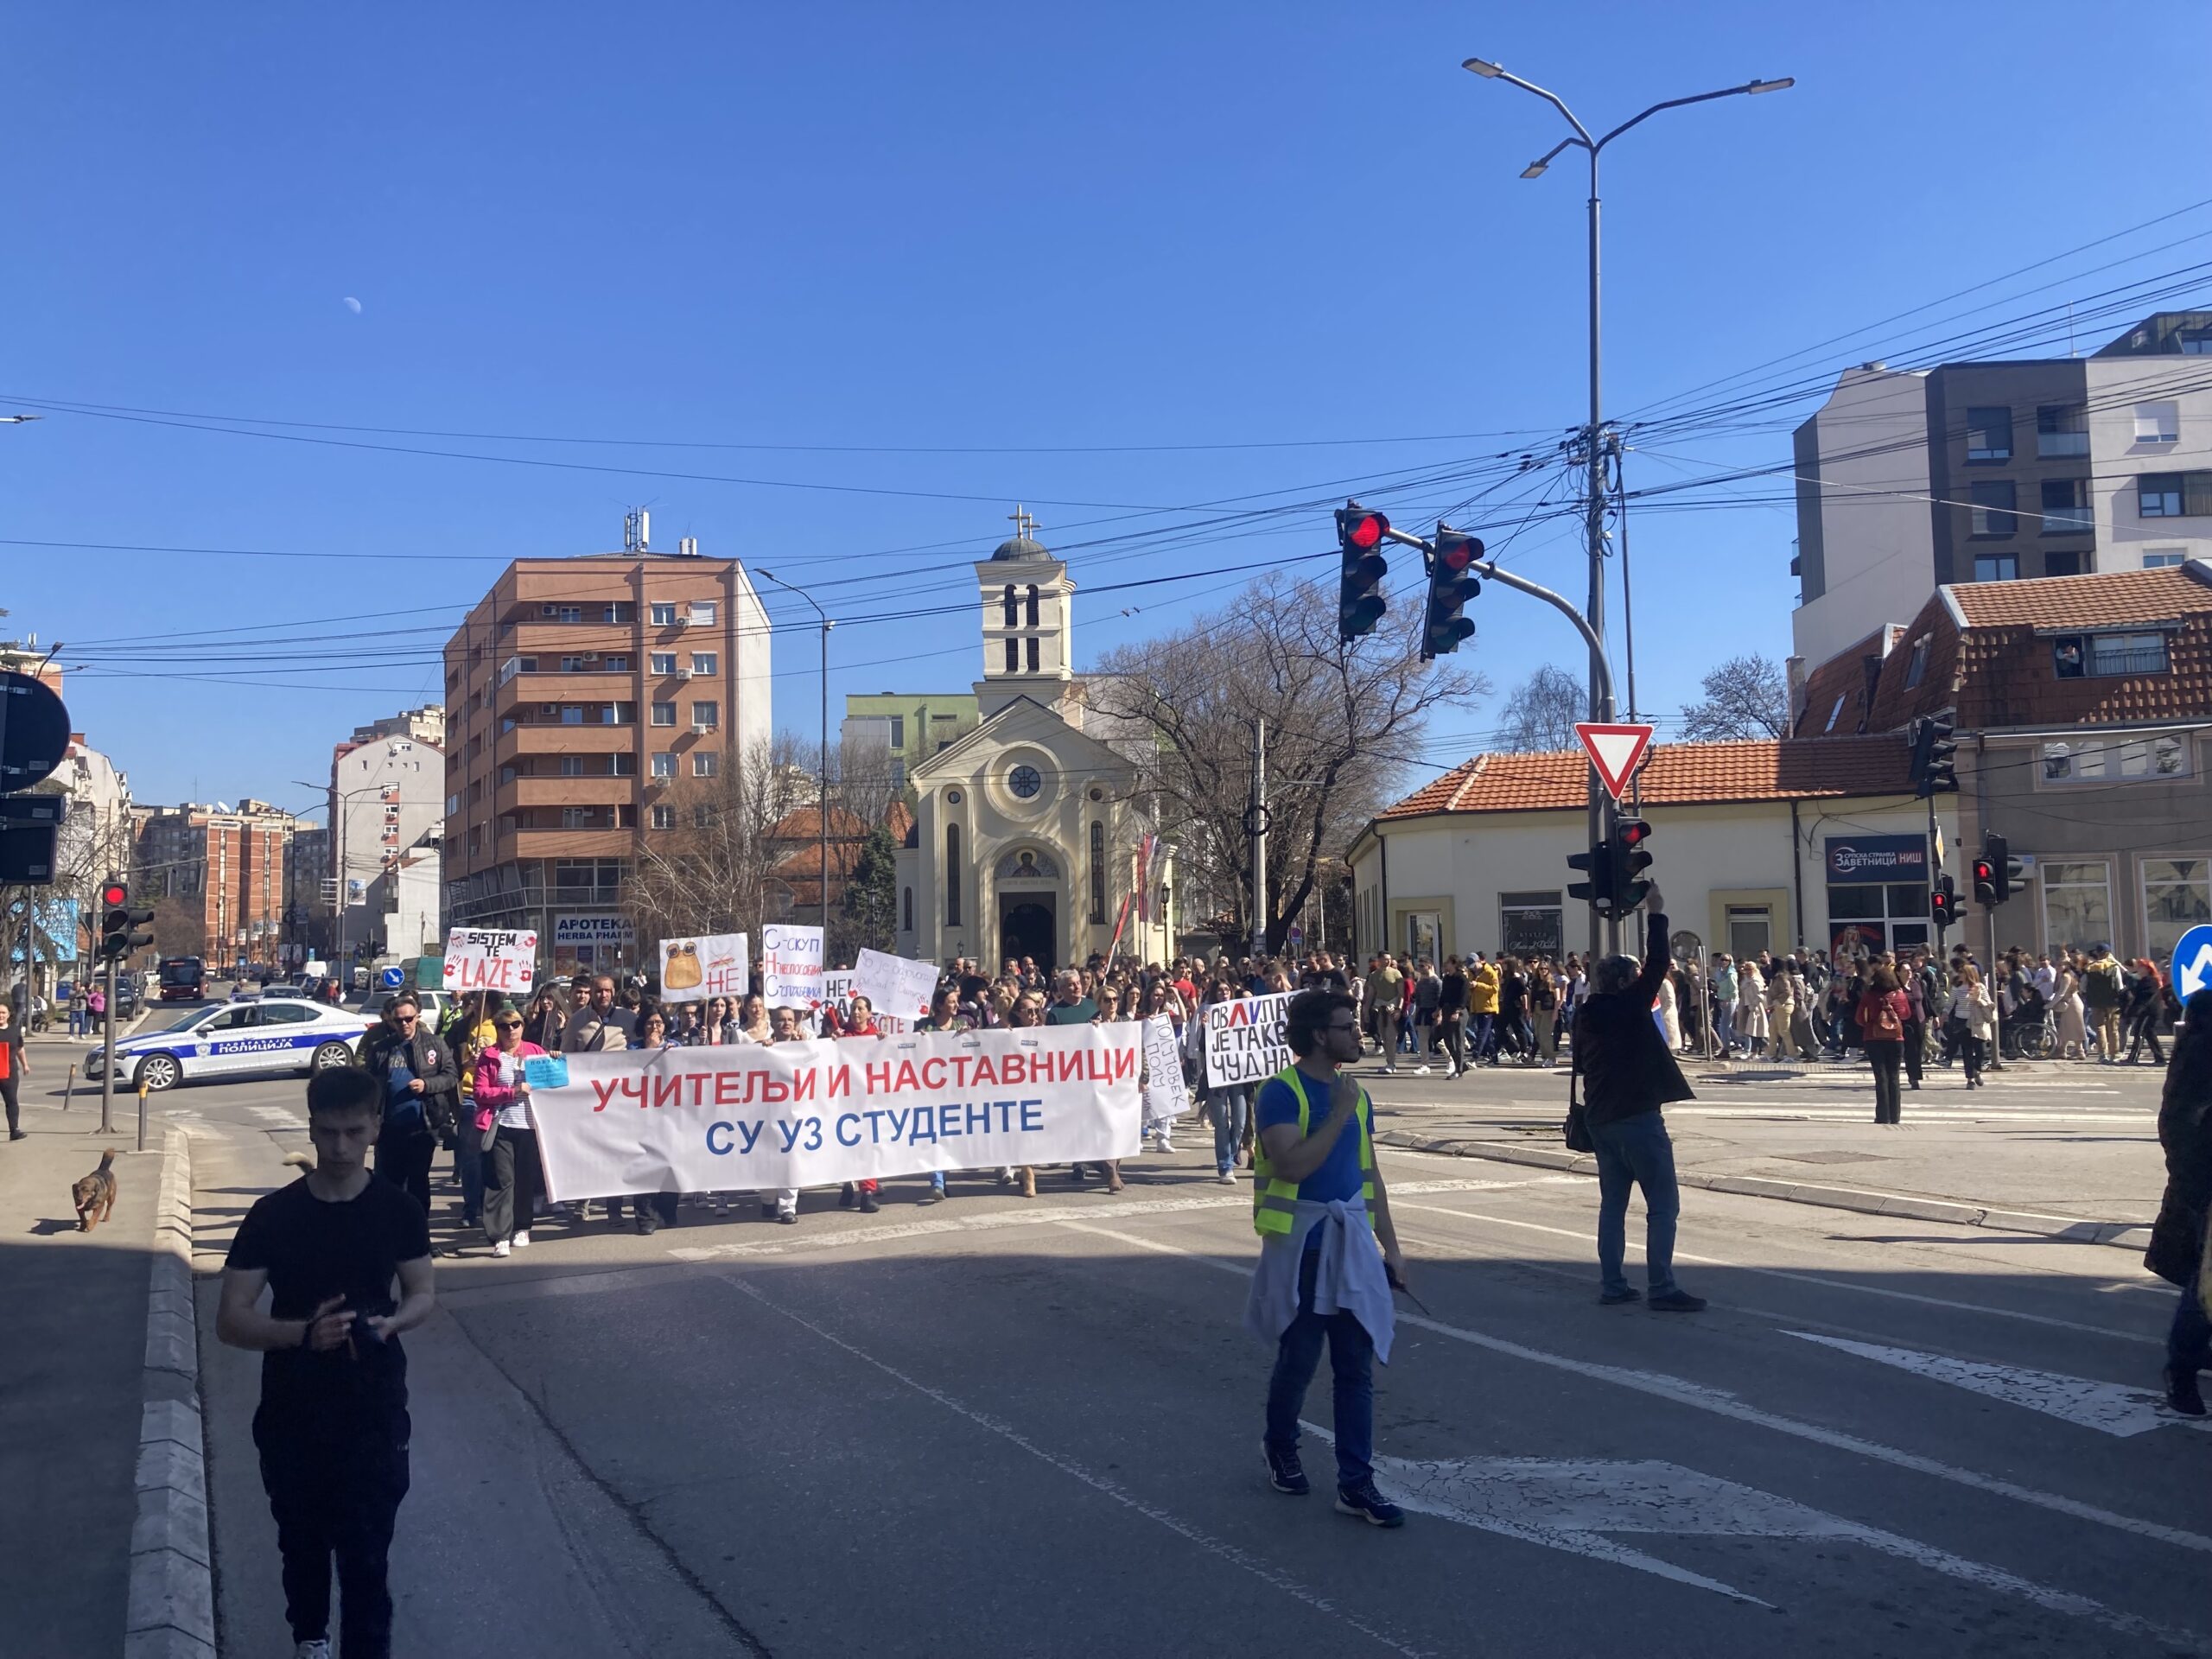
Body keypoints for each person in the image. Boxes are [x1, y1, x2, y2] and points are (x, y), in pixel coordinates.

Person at [216, 1066, 436, 1659]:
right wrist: (301, 1336)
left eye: (353, 1132)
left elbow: (422, 1292)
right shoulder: (273, 1216)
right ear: (311, 1128)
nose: (340, 1147)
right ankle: (310, 1640)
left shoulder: (398, 1211)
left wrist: (394, 1321)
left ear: (375, 1128)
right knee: (304, 1549)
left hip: (375, 1412)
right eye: (327, 1132)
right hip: (295, 1413)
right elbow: (230, 1319)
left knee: (367, 1561)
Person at [1247, 989, 1407, 1528]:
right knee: (1299, 1359)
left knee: (1354, 1368)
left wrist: (1392, 1244)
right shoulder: (1281, 1093)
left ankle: (1356, 1483)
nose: (1357, 1032)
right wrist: (1337, 1113)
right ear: (1319, 1035)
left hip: (1351, 1245)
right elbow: (1292, 1166)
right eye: (1347, 1026)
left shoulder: (1356, 1095)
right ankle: (1280, 1443)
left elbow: (1371, 1172)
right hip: (1303, 1247)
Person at [1570, 889, 1703, 1312]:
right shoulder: (1628, 1007)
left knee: (1613, 1206)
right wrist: (1657, 914)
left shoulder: (1587, 1012)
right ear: (1627, 983)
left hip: (1600, 1119)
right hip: (1637, 1118)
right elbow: (1659, 964)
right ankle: (1661, 1287)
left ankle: (1613, 1284)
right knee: (1663, 1205)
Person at [2145, 987, 2212, 1417]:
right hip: (2207, 1181)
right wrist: (2197, 1186)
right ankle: (2182, 1370)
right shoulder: (2202, 1049)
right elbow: (2180, 1121)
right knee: (2207, 1285)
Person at [358, 995, 458, 1217]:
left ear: (417, 1017)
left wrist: (427, 1084)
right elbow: (369, 1086)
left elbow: (451, 1076)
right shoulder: (381, 1048)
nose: (404, 1023)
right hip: (389, 1129)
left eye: (409, 1018)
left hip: (422, 1126)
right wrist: (370, 1122)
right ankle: (393, 1240)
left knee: (417, 1185)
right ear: (391, 1021)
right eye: (399, 1020)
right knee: (389, 1186)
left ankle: (420, 1236)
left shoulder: (434, 1044)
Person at [563, 976, 638, 1224]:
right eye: (598, 991)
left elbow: (642, 1049)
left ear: (613, 992)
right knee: (587, 1151)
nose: (603, 995)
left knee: (614, 1154)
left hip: (618, 1097)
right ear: (592, 993)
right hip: (587, 1097)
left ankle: (613, 1209)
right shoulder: (577, 1020)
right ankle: (582, 1200)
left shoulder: (628, 1019)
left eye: (607, 990)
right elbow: (566, 1056)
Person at [474, 1007, 547, 1257]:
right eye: (505, 1026)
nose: (511, 1030)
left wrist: (556, 1059)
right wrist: (512, 1092)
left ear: (522, 1026)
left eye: (516, 1024)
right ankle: (499, 1235)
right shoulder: (490, 1056)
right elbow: (480, 1092)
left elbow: (553, 1082)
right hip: (501, 1126)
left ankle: (522, 1227)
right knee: (501, 1181)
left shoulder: (536, 1052)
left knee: (526, 1179)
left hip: (530, 1127)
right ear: (497, 1029)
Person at [1857, 964, 1911, 1125]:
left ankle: (1882, 1115)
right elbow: (1907, 1014)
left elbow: (1860, 1018)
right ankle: (1895, 1116)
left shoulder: (1869, 996)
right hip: (1896, 1039)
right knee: (1894, 1077)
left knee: (1880, 1077)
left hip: (1873, 1038)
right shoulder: (1899, 995)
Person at [1948, 965, 1996, 1089]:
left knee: (1981, 1050)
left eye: (1962, 973)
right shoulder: (1957, 988)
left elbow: (1989, 1003)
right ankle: (1970, 1079)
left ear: (1969, 974)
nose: (1960, 976)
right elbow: (1950, 1004)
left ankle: (1977, 1071)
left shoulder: (1980, 987)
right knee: (1967, 1051)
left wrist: (1979, 1000)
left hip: (1977, 1021)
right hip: (1961, 1021)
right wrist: (1943, 1015)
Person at [2082, 944, 2126, 1062]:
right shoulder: (2113, 967)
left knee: (2100, 1027)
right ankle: (2114, 1053)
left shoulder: (2090, 968)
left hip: (2096, 1002)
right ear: (2108, 953)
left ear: (2097, 953)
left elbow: (2083, 986)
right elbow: (2119, 986)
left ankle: (2102, 1054)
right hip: (2113, 1002)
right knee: (2113, 1028)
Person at [2125, 962, 2168, 1065]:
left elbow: (2143, 997)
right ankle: (2159, 1057)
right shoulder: (2144, 980)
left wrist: (2135, 1008)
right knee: (2149, 1033)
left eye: (2141, 967)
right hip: (2147, 1011)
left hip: (2148, 1011)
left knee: (2140, 1033)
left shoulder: (2150, 981)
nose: (2138, 969)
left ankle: (2134, 1057)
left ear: (2147, 969)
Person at [0, 1002, 23, 1141]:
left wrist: (25, 1065)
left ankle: (14, 1130)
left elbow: (20, 1048)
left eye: (3, 1013)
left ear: (8, 1015)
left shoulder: (14, 1030)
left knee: (12, 1102)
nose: (1, 1015)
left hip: (10, 1073)